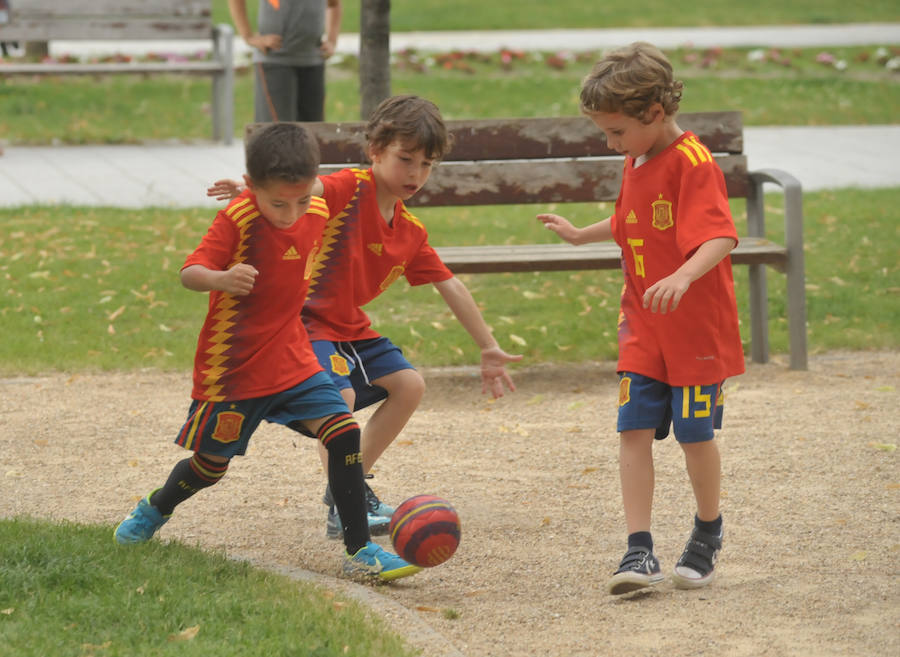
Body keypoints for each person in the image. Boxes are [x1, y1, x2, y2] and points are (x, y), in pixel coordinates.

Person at [114, 122, 420, 582]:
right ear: (253, 188)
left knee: (341, 431)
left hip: (293, 355)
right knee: (209, 467)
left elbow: (324, 196)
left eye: (300, 201)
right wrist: (219, 278)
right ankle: (156, 508)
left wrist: (288, 200)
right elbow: (190, 271)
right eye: (278, 203)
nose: (291, 213)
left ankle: (360, 550)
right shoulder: (238, 219)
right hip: (234, 367)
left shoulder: (313, 207)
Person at [208, 94, 522, 540]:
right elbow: (306, 189)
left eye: (427, 164)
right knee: (342, 404)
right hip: (304, 321)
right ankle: (346, 502)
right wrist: (258, 192)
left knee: (409, 384)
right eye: (405, 159)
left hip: (347, 327)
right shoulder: (351, 188)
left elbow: (448, 283)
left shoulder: (410, 230)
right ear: (375, 151)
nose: (415, 174)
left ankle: (347, 488)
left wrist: (488, 346)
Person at [537, 42, 745, 595]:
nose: (610, 143)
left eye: (615, 132)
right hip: (643, 323)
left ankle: (707, 530)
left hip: (695, 327)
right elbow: (631, 217)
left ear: (653, 113)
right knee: (632, 429)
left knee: (694, 435)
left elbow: (721, 233)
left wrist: (682, 276)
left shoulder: (694, 163)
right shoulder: (638, 153)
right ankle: (639, 549)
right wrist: (583, 233)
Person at [227, 0, 342, 122]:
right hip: (275, 62)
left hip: (313, 60)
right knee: (278, 132)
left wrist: (332, 40)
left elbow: (334, 4)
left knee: (312, 133)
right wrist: (248, 37)